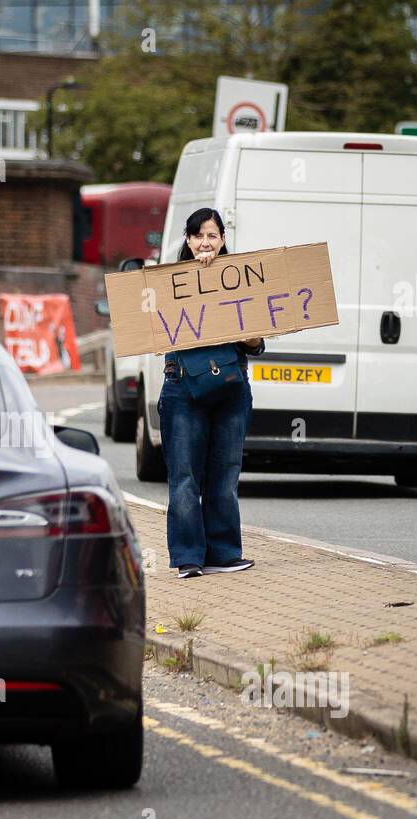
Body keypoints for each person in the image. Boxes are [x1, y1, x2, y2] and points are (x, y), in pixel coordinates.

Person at [160, 207, 264, 579]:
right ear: (188, 241)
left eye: (213, 235)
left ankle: (223, 553)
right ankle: (188, 557)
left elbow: (255, 343)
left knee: (224, 474)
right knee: (185, 476)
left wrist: (251, 334)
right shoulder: (168, 284)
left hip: (230, 388)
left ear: (222, 240)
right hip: (182, 389)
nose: (206, 242)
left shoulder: (240, 280)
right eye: (199, 235)